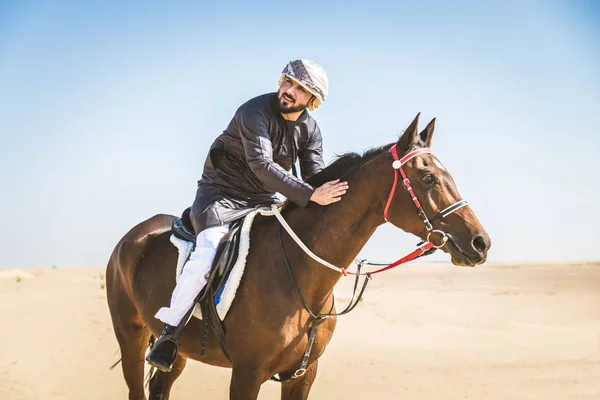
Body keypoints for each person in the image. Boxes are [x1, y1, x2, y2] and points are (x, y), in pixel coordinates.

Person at [146, 59, 349, 372]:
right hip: (220, 196)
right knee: (209, 250)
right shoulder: (253, 112)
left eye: (300, 88)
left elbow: (314, 176)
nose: (289, 91)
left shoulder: (310, 129)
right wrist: (309, 195)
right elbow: (261, 166)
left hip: (263, 202)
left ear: (312, 100)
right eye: (288, 82)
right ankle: (169, 333)